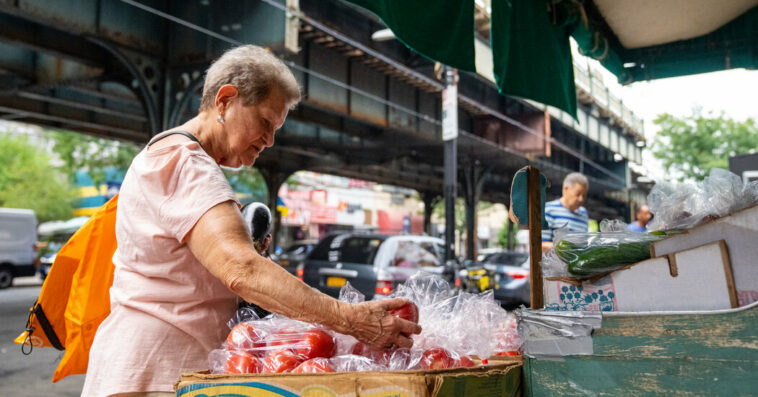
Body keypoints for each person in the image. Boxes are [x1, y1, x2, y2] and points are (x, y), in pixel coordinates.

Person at [82, 45, 420, 397]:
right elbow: (242, 269)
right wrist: (351, 319)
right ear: (225, 100)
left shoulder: (171, 157)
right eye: (265, 122)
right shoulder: (187, 165)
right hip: (155, 374)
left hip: (150, 368)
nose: (270, 140)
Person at [542, 172, 589, 251]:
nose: (581, 199)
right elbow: (540, 245)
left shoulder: (584, 213)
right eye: (578, 194)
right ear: (566, 189)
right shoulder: (548, 209)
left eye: (584, 195)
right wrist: (569, 247)